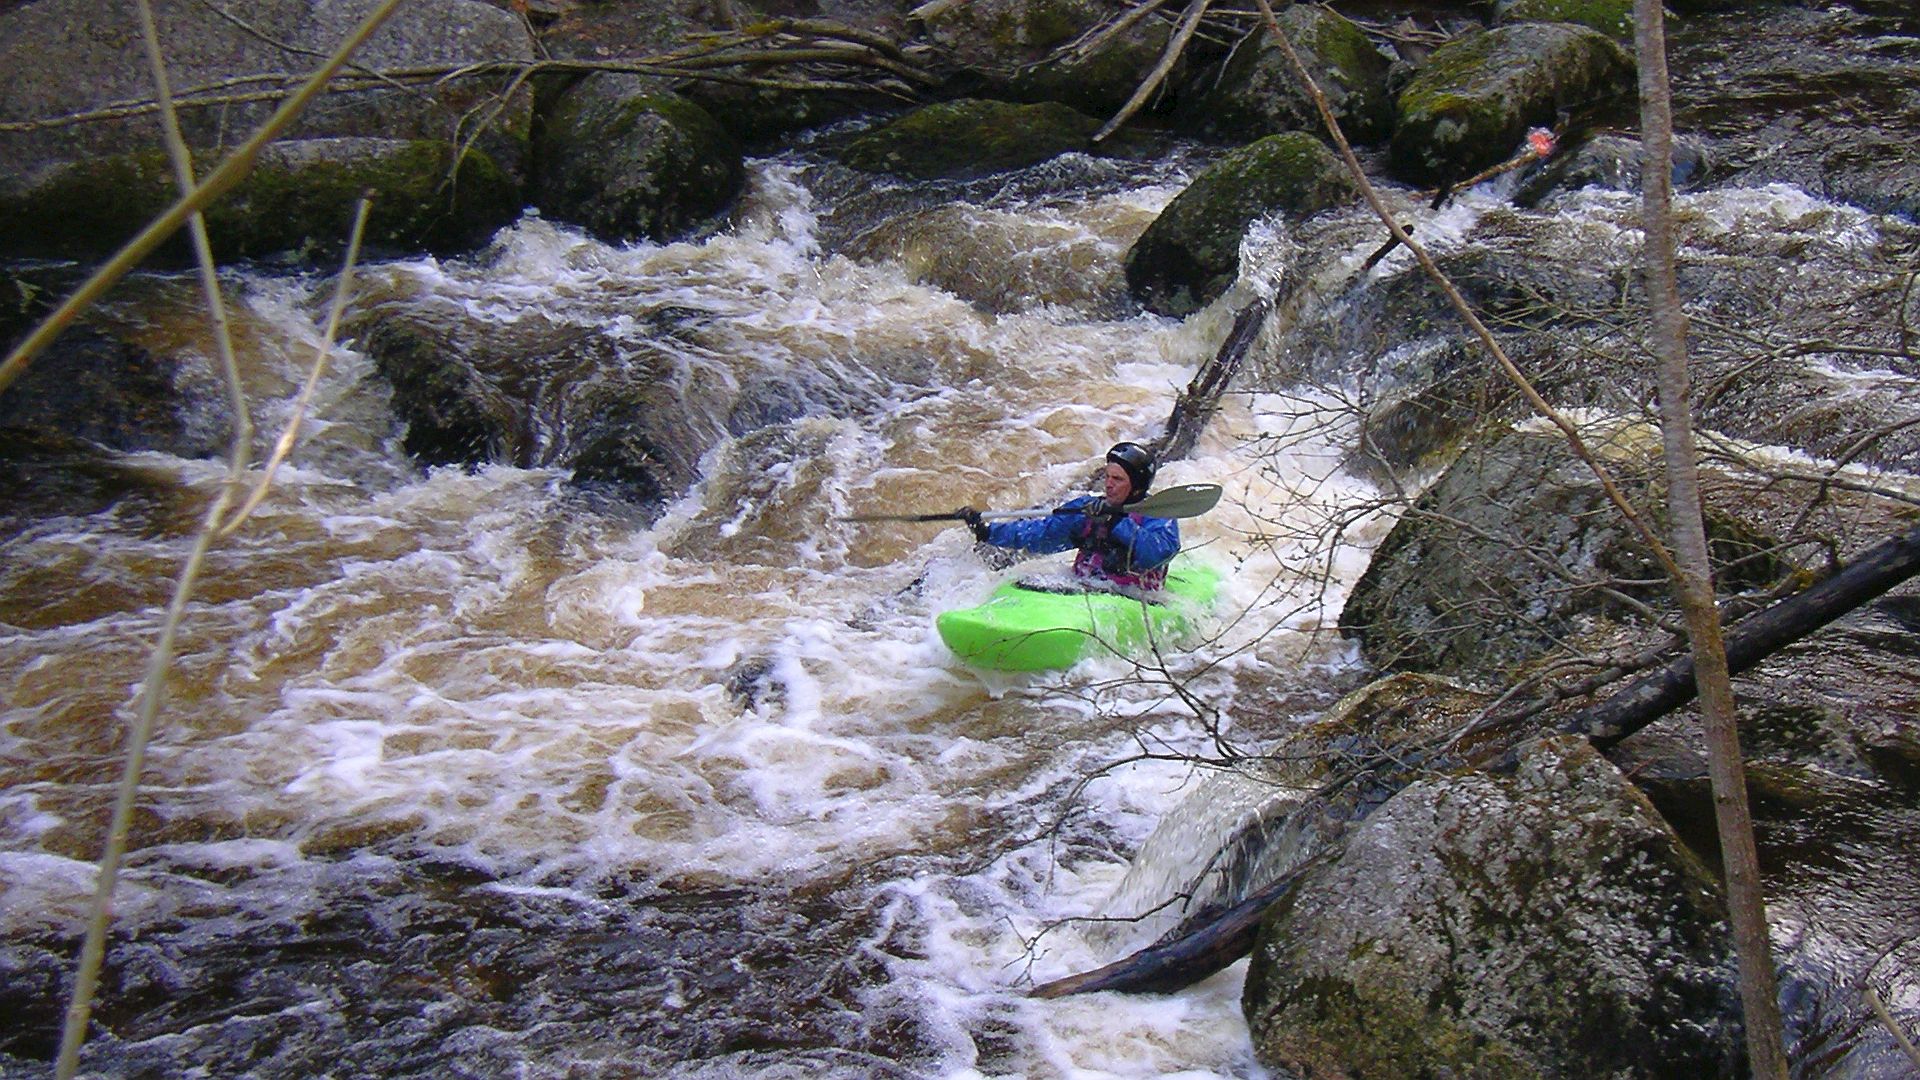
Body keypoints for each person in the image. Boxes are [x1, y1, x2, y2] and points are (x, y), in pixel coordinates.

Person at [957, 441, 1180, 590]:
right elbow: (1041, 533)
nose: (1109, 485)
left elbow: (1158, 553)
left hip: (1131, 596)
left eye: (1118, 479)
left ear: (1137, 487)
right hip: (1084, 586)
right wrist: (986, 530)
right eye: (1108, 477)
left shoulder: (1157, 514)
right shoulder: (1089, 509)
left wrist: (1115, 522)